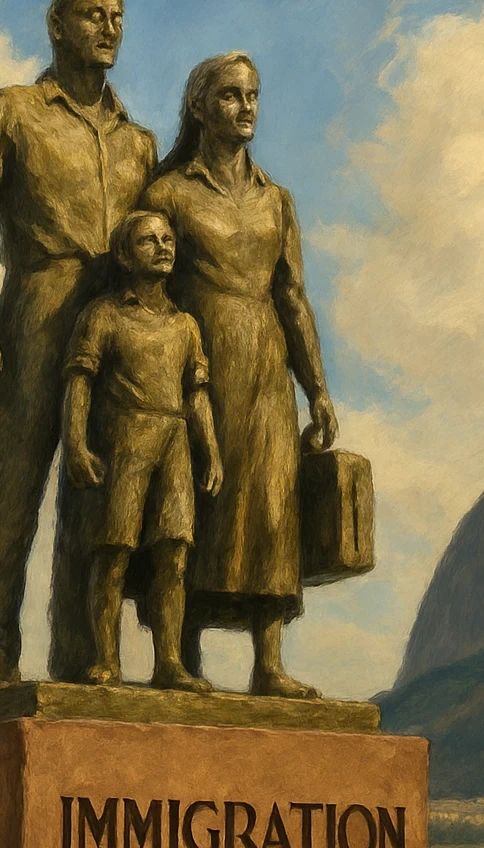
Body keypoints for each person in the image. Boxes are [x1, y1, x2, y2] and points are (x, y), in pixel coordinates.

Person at [0, 0, 157, 690]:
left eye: (119, 16)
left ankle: (80, 661)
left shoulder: (139, 143)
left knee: (96, 502)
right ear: (57, 27)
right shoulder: (11, 113)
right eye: (95, 15)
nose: (110, 27)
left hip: (117, 330)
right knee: (12, 490)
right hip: (36, 309)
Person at [142, 53, 338, 698]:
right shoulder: (169, 193)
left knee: (270, 503)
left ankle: (269, 661)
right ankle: (180, 654)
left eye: (253, 95)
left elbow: (294, 297)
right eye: (229, 95)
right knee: (197, 499)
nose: (246, 106)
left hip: (264, 370)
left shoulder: (275, 200)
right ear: (199, 106)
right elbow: (146, 284)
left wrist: (317, 389)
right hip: (196, 362)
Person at [62, 211, 222, 691]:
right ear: (126, 255)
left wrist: (210, 451)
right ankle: (107, 660)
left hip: (173, 442)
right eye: (149, 240)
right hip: (124, 440)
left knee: (173, 554)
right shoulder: (103, 315)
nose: (163, 246)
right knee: (114, 552)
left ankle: (169, 662)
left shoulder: (186, 326)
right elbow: (79, 380)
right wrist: (74, 443)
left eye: (168, 239)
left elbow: (197, 393)